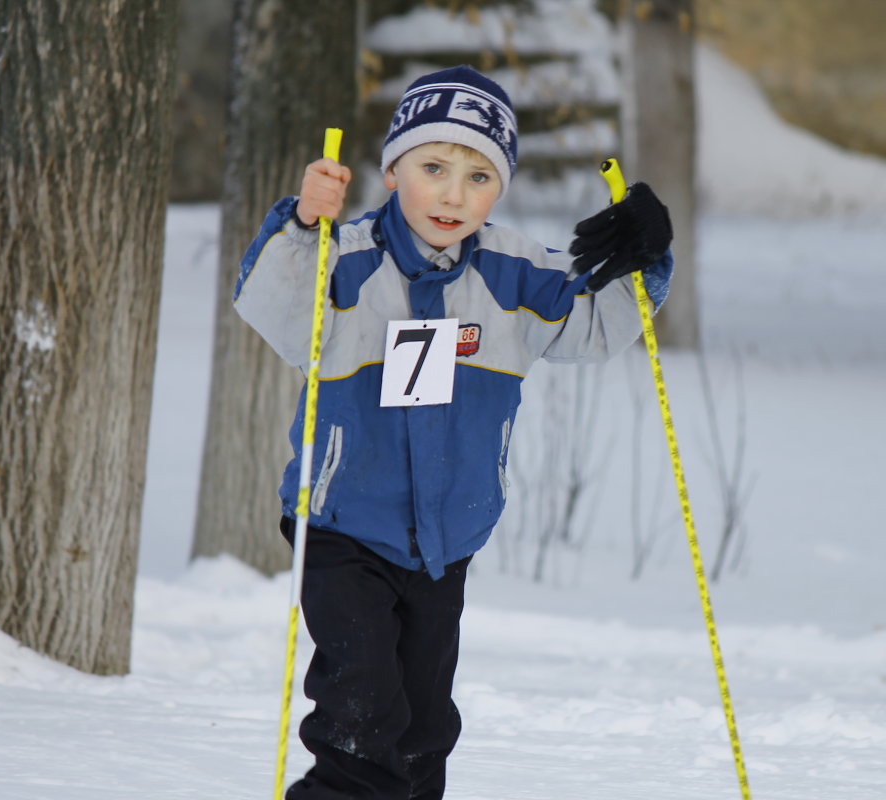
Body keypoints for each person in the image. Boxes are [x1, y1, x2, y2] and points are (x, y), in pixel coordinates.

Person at [234, 65, 673, 800]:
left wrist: (644, 254)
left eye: (478, 176)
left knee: (424, 730)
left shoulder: (515, 273)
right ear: (392, 168)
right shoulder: (343, 262)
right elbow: (274, 312)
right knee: (361, 715)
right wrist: (304, 225)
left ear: (500, 189)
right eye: (433, 167)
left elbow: (595, 328)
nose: (452, 194)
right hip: (344, 527)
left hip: (449, 541)